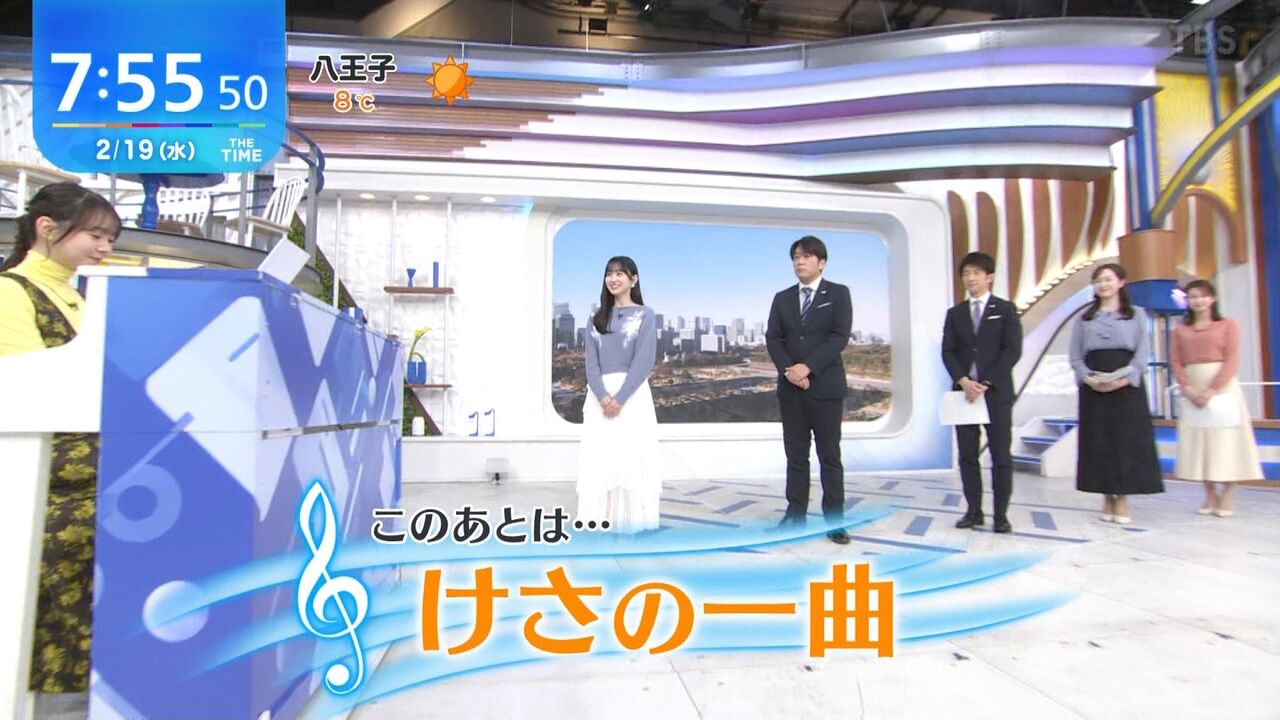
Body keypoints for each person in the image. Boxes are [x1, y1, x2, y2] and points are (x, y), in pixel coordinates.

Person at [0, 183, 120, 694]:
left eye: (110, 239)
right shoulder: (11, 292)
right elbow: (27, 386)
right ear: (46, 228)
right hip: (46, 473)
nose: (105, 248)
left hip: (89, 461)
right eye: (96, 235)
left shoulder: (79, 296)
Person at [766, 236, 853, 544]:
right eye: (795, 257)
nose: (799, 262)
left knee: (830, 456)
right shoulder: (782, 298)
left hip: (825, 387)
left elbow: (839, 337)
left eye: (806, 256)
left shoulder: (838, 294)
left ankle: (835, 522)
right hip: (792, 390)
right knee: (796, 456)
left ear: (821, 262)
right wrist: (790, 371)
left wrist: (808, 368)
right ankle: (795, 515)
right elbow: (773, 338)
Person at [1069, 263, 1163, 523]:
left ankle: (1122, 497)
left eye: (1108, 279)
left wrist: (1125, 379)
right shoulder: (1084, 318)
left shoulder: (1137, 314)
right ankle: (1105, 495)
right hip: (1094, 385)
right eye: (1099, 280)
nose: (1103, 285)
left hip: (1126, 386)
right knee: (1099, 441)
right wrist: (1088, 378)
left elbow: (1143, 352)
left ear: (1121, 282)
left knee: (1125, 441)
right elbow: (1075, 356)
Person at [941, 252, 1023, 534]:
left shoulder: (1006, 309)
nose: (970, 278)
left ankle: (1001, 515)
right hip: (963, 393)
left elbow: (1012, 350)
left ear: (989, 277)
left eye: (976, 273)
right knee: (967, 455)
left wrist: (985, 381)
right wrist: (964, 381)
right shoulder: (955, 314)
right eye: (965, 274)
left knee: (1001, 454)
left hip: (995, 392)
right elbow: (948, 352)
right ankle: (973, 511)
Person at [577, 256, 661, 533]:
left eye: (619, 274)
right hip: (598, 398)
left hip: (632, 397)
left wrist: (621, 398)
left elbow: (644, 360)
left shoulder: (645, 315)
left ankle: (630, 523)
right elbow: (591, 364)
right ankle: (600, 521)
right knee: (600, 458)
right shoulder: (596, 319)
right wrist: (603, 396)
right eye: (609, 274)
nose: (613, 279)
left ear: (633, 280)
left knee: (631, 457)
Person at [1170, 279, 1263, 516]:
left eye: (1203, 295)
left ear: (1213, 299)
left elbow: (1232, 358)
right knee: (1201, 441)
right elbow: (1176, 362)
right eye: (1193, 296)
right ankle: (1210, 493)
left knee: (1227, 440)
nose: (1198, 301)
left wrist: (1213, 389)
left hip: (1222, 387)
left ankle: (1229, 493)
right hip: (1193, 386)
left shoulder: (1228, 325)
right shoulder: (1180, 330)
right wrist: (1188, 388)